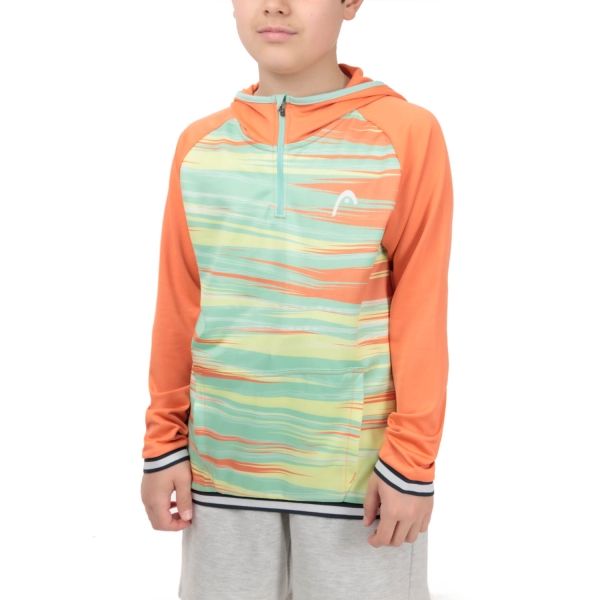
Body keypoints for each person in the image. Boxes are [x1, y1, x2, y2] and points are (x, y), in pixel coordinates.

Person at [140, 1, 453, 598]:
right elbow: (180, 304)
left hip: (360, 484)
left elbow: (420, 307)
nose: (275, 5)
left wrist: (412, 462)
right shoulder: (200, 146)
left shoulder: (405, 134)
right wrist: (164, 445)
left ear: (351, 2)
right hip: (220, 479)